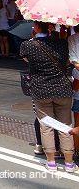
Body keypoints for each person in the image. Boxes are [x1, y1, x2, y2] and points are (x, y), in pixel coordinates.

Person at [20, 21, 76, 172]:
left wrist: (33, 37)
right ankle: (69, 163)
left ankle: (51, 162)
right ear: (50, 27)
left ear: (37, 28)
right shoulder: (62, 43)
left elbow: (26, 60)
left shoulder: (28, 45)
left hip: (41, 90)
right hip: (62, 90)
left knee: (46, 126)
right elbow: (66, 61)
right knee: (65, 125)